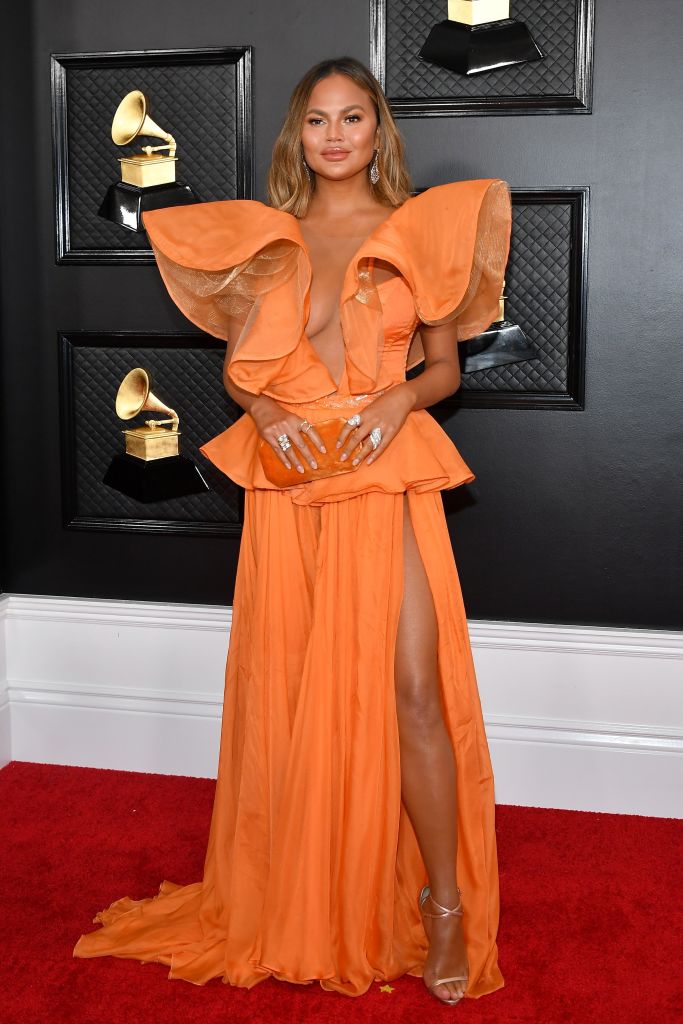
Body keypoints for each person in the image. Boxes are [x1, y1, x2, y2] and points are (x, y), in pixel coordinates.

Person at [73, 56, 511, 1007]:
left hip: (385, 471)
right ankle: (307, 886)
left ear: (377, 130)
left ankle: (442, 905)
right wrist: (266, 414)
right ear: (297, 136)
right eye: (318, 120)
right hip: (289, 483)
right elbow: (241, 370)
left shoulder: (417, 231)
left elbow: (445, 368)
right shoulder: (267, 237)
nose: (335, 135)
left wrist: (397, 401)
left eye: (352, 117)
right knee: (297, 687)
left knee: (414, 691)